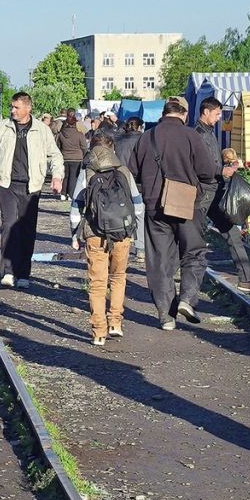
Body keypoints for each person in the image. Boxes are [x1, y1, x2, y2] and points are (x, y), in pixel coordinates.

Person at [130, 97, 218, 329]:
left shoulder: (145, 137)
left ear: (164, 113)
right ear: (185, 114)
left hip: (154, 205)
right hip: (185, 203)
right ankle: (187, 299)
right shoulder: (191, 136)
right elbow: (207, 172)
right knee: (194, 252)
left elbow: (133, 172)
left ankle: (165, 316)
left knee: (159, 260)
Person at [0, 91, 64, 288]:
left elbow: (55, 155)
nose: (12, 110)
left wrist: (58, 176)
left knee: (27, 229)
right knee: (9, 224)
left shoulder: (41, 130)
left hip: (32, 186)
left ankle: (24, 274)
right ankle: (8, 272)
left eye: (16, 107)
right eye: (12, 107)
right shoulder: (2, 127)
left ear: (28, 108)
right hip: (6, 184)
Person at [70, 135, 143, 345]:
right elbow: (138, 207)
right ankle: (115, 323)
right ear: (113, 150)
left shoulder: (87, 173)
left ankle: (99, 331)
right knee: (118, 277)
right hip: (122, 233)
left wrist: (75, 233)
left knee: (97, 283)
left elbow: (76, 208)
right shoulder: (124, 172)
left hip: (95, 233)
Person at [195, 97, 250, 295]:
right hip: (203, 195)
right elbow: (201, 165)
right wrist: (221, 170)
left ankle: (247, 279)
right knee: (194, 239)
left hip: (215, 192)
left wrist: (224, 169)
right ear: (206, 111)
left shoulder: (208, 133)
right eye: (217, 114)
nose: (219, 118)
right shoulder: (198, 135)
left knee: (233, 235)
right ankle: (189, 283)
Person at [57, 111, 88, 200]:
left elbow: (58, 146)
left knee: (65, 176)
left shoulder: (61, 134)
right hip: (77, 158)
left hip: (64, 157)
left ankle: (63, 193)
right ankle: (71, 194)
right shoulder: (79, 134)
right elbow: (84, 147)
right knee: (74, 176)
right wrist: (85, 155)